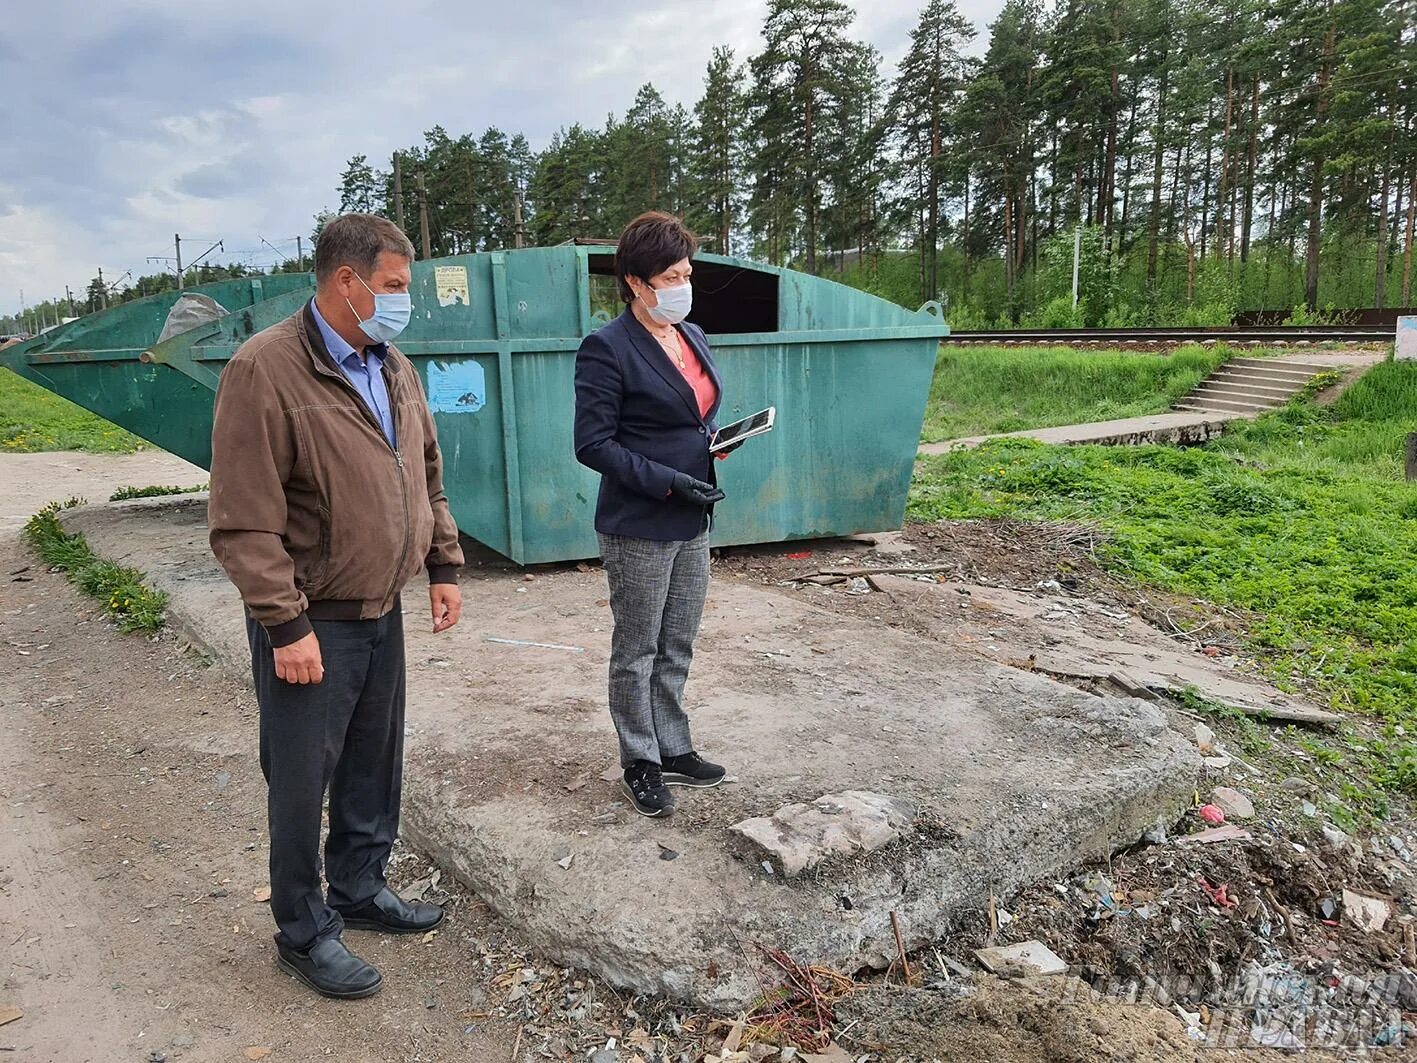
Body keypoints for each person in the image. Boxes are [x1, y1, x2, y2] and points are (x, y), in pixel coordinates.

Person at [208, 213, 464, 999]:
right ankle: (303, 927)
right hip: (312, 620)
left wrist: (443, 560)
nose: (402, 303)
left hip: (380, 608)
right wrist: (285, 623)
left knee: (371, 765)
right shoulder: (266, 370)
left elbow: (424, 467)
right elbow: (243, 518)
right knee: (299, 778)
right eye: (392, 287)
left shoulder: (391, 364)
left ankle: (359, 887)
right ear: (345, 281)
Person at [573, 211, 728, 819]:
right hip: (641, 519)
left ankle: (673, 744)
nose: (683, 282)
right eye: (670, 274)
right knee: (636, 647)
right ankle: (640, 760)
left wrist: (716, 442)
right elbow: (593, 444)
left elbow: (695, 415)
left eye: (686, 270)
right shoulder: (606, 348)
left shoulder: (691, 335)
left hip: (694, 514)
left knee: (678, 640)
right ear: (637, 283)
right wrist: (669, 481)